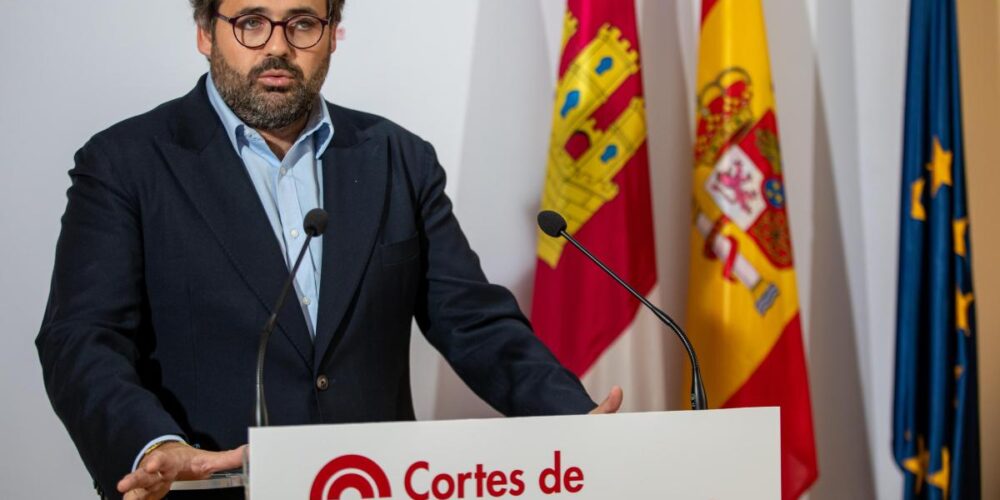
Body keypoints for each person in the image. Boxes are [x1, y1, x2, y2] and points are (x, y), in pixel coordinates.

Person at [35, 0, 623, 498]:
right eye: (251, 22)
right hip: (215, 485)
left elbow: (473, 321)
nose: (277, 46)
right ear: (203, 32)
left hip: (379, 484)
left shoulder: (398, 158)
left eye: (302, 23)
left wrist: (571, 420)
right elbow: (80, 339)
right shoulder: (125, 163)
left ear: (333, 33)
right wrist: (151, 440)